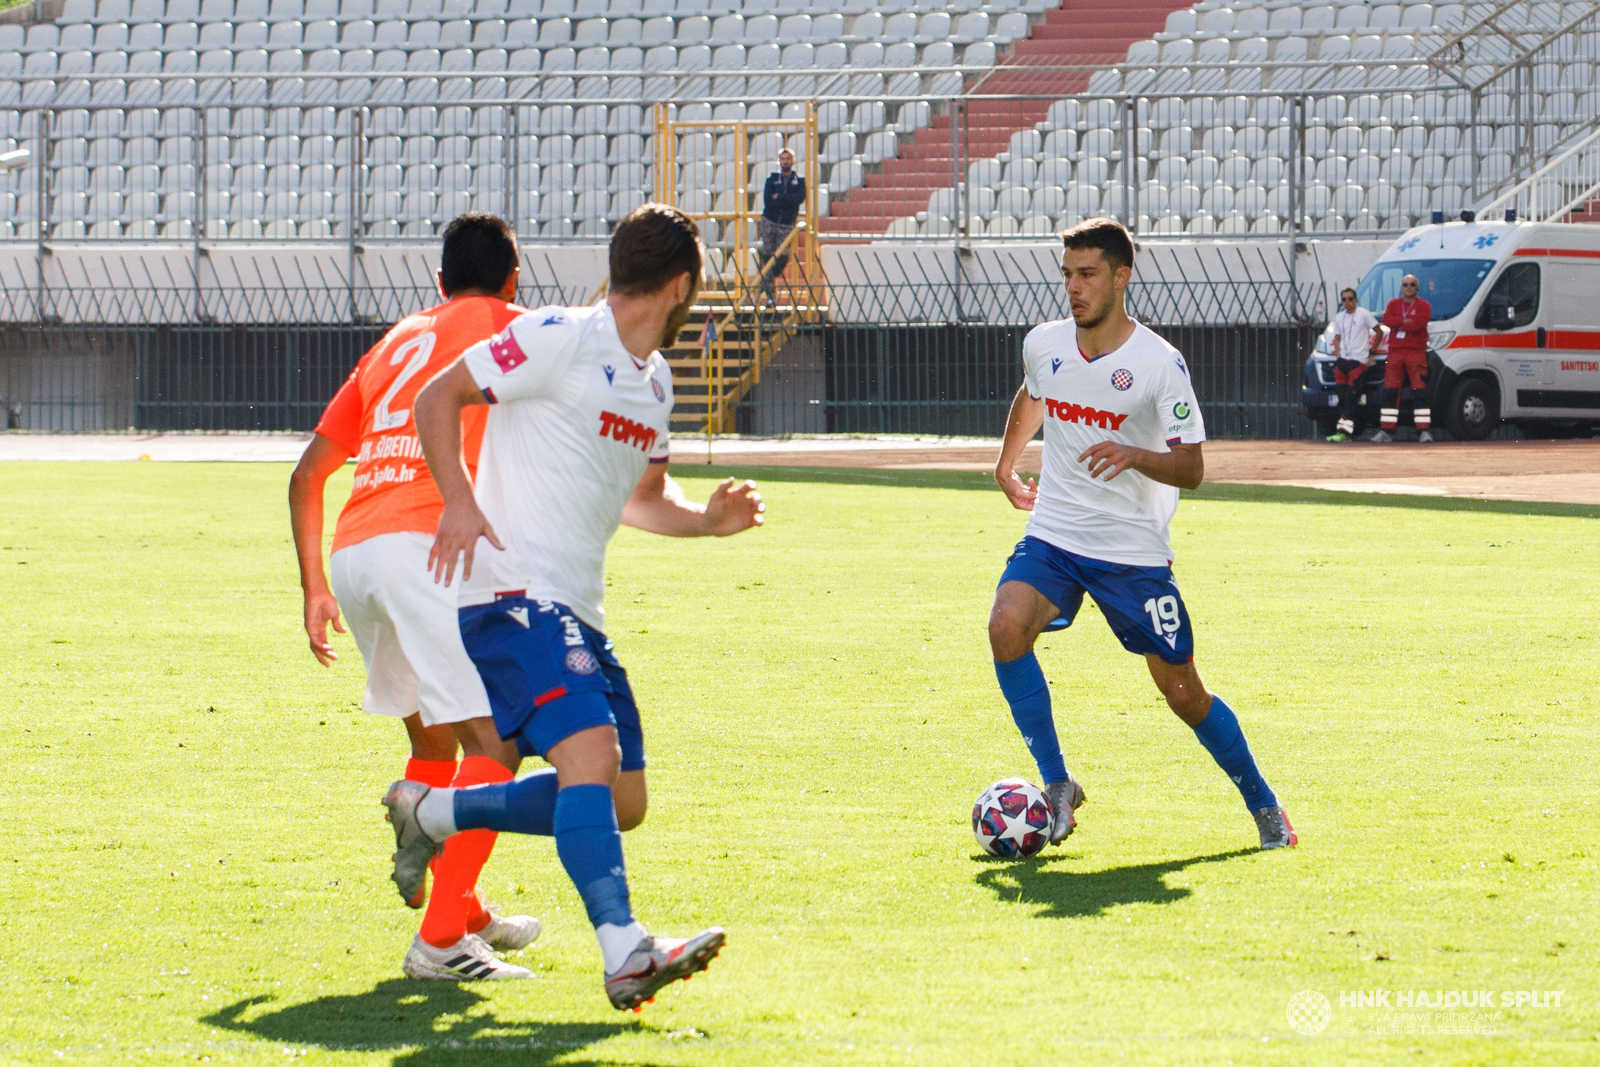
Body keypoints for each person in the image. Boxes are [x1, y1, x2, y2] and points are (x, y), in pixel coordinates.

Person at [383, 203, 766, 1012]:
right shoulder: (560, 335)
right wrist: (456, 498)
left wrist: (706, 522)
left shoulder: (655, 381)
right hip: (512, 593)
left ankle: (436, 808)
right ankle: (624, 948)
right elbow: (436, 397)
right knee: (587, 757)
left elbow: (644, 500)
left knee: (621, 801)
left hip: (576, 610)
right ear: (681, 286)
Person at [288, 213, 545, 981]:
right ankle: (438, 943)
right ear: (511, 280)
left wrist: (314, 588)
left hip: (357, 553)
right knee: (498, 745)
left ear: (437, 282)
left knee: (437, 745)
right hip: (426, 551)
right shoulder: (512, 325)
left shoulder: (395, 339)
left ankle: (465, 911)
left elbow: (307, 474)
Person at [988, 217, 1296, 852]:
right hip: (1057, 532)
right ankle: (1057, 785)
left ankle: (1265, 806)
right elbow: (1034, 393)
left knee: (1182, 692)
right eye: (1067, 275)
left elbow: (1194, 468)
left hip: (1131, 552)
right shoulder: (1044, 342)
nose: (1073, 288)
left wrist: (1133, 454)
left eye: (1087, 274)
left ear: (1121, 277)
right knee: (1005, 626)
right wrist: (1005, 461)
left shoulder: (1160, 364)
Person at [1374, 273, 1433, 443]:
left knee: (1420, 391)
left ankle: (1424, 431)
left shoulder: (1424, 305)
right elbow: (1386, 319)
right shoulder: (1393, 303)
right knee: (1389, 392)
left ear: (1418, 287)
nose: (1408, 287)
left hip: (1416, 352)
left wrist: (1398, 322)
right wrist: (1405, 320)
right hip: (1395, 352)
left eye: (1412, 284)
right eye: (1405, 284)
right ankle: (1386, 431)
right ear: (1401, 287)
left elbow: (1418, 324)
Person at [1326, 287, 1382, 442]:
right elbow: (1337, 337)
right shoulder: (1339, 317)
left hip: (1358, 361)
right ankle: (1343, 433)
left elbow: (1379, 331)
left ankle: (1344, 433)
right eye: (1344, 299)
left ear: (1356, 300)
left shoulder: (1363, 313)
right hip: (1342, 361)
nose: (1347, 302)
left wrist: (1372, 351)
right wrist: (1338, 357)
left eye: (1350, 299)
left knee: (1352, 397)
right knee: (1342, 397)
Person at [756, 148, 805, 304]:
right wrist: (786, 200)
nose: (785, 161)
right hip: (770, 221)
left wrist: (780, 197)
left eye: (788, 158)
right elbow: (768, 202)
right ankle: (770, 296)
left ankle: (764, 282)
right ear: (779, 161)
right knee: (767, 256)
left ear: (793, 161)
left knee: (782, 258)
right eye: (783, 158)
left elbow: (798, 199)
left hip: (786, 223)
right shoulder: (771, 179)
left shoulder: (799, 180)